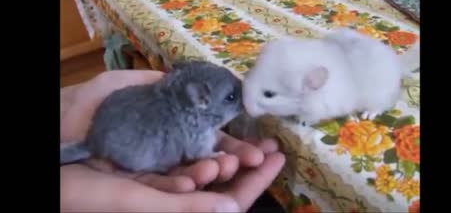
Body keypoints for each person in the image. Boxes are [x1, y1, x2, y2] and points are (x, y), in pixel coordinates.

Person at [60, 70, 286, 212]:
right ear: (201, 100)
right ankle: (156, 164)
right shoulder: (194, 127)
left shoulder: (183, 99)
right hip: (125, 148)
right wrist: (208, 154)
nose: (239, 102)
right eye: (230, 98)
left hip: (112, 121)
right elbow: (197, 148)